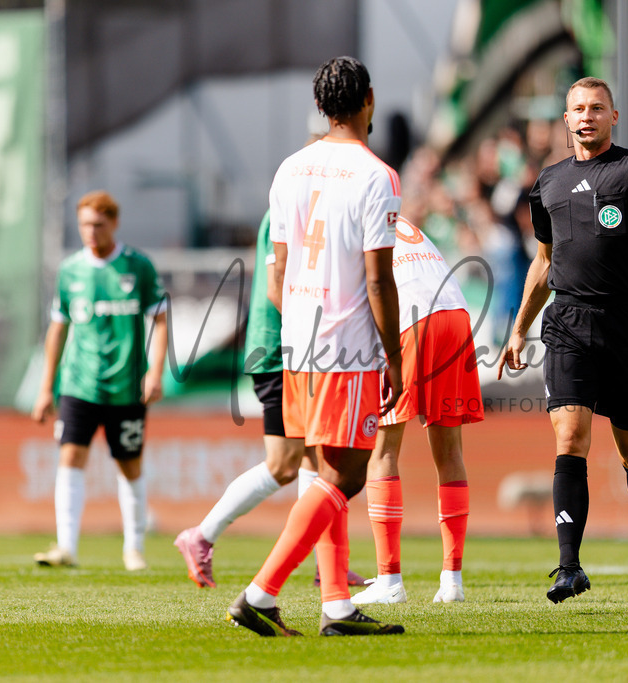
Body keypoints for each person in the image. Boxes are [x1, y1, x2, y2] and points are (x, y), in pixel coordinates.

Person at [225, 56, 405, 637]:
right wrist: (394, 356)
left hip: (297, 343)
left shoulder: (289, 170)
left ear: (322, 106)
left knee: (322, 470)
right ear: (368, 100)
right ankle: (261, 592)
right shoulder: (376, 175)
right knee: (346, 476)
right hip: (346, 345)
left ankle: (336, 607)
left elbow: (276, 273)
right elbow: (378, 278)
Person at [497, 77, 628, 608]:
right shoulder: (549, 183)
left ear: (614, 116)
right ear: (566, 120)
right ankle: (569, 566)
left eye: (597, 108)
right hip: (567, 322)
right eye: (578, 109)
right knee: (570, 436)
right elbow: (544, 260)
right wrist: (518, 328)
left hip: (626, 323)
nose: (586, 116)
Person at [173, 209, 366, 589]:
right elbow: (281, 285)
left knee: (318, 455)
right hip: (281, 349)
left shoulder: (292, 205)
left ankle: (326, 564)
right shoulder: (293, 208)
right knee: (285, 463)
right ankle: (201, 536)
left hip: (289, 346)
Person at [350, 216, 484, 606]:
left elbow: (366, 290)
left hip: (409, 319)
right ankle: (452, 580)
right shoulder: (398, 219)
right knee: (450, 452)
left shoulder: (347, 222)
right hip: (455, 315)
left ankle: (390, 580)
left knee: (383, 451)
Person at [31, 190, 168, 571]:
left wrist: (155, 374)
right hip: (79, 384)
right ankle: (66, 547)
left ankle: (134, 548)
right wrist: (46, 387)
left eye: (98, 224)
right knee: (70, 455)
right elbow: (57, 330)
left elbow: (160, 320)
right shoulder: (70, 270)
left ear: (114, 223)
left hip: (126, 385)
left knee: (129, 464)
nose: (90, 232)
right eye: (85, 225)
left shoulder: (138, 266)